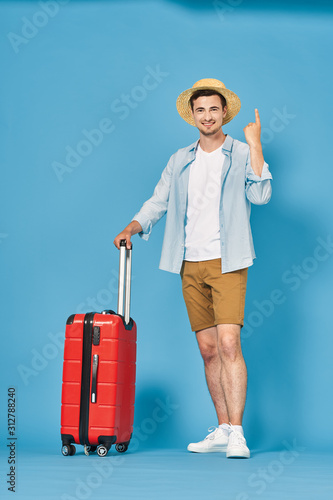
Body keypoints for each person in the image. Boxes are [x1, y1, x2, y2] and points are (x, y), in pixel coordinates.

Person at [113, 78, 272, 459]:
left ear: (224, 114)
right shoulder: (180, 159)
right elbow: (158, 201)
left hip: (228, 260)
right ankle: (221, 427)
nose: (207, 116)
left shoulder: (239, 151)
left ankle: (237, 433)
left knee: (230, 344)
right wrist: (132, 226)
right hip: (189, 262)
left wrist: (255, 145)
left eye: (213, 109)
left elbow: (260, 194)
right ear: (193, 116)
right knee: (208, 350)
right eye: (200, 110)